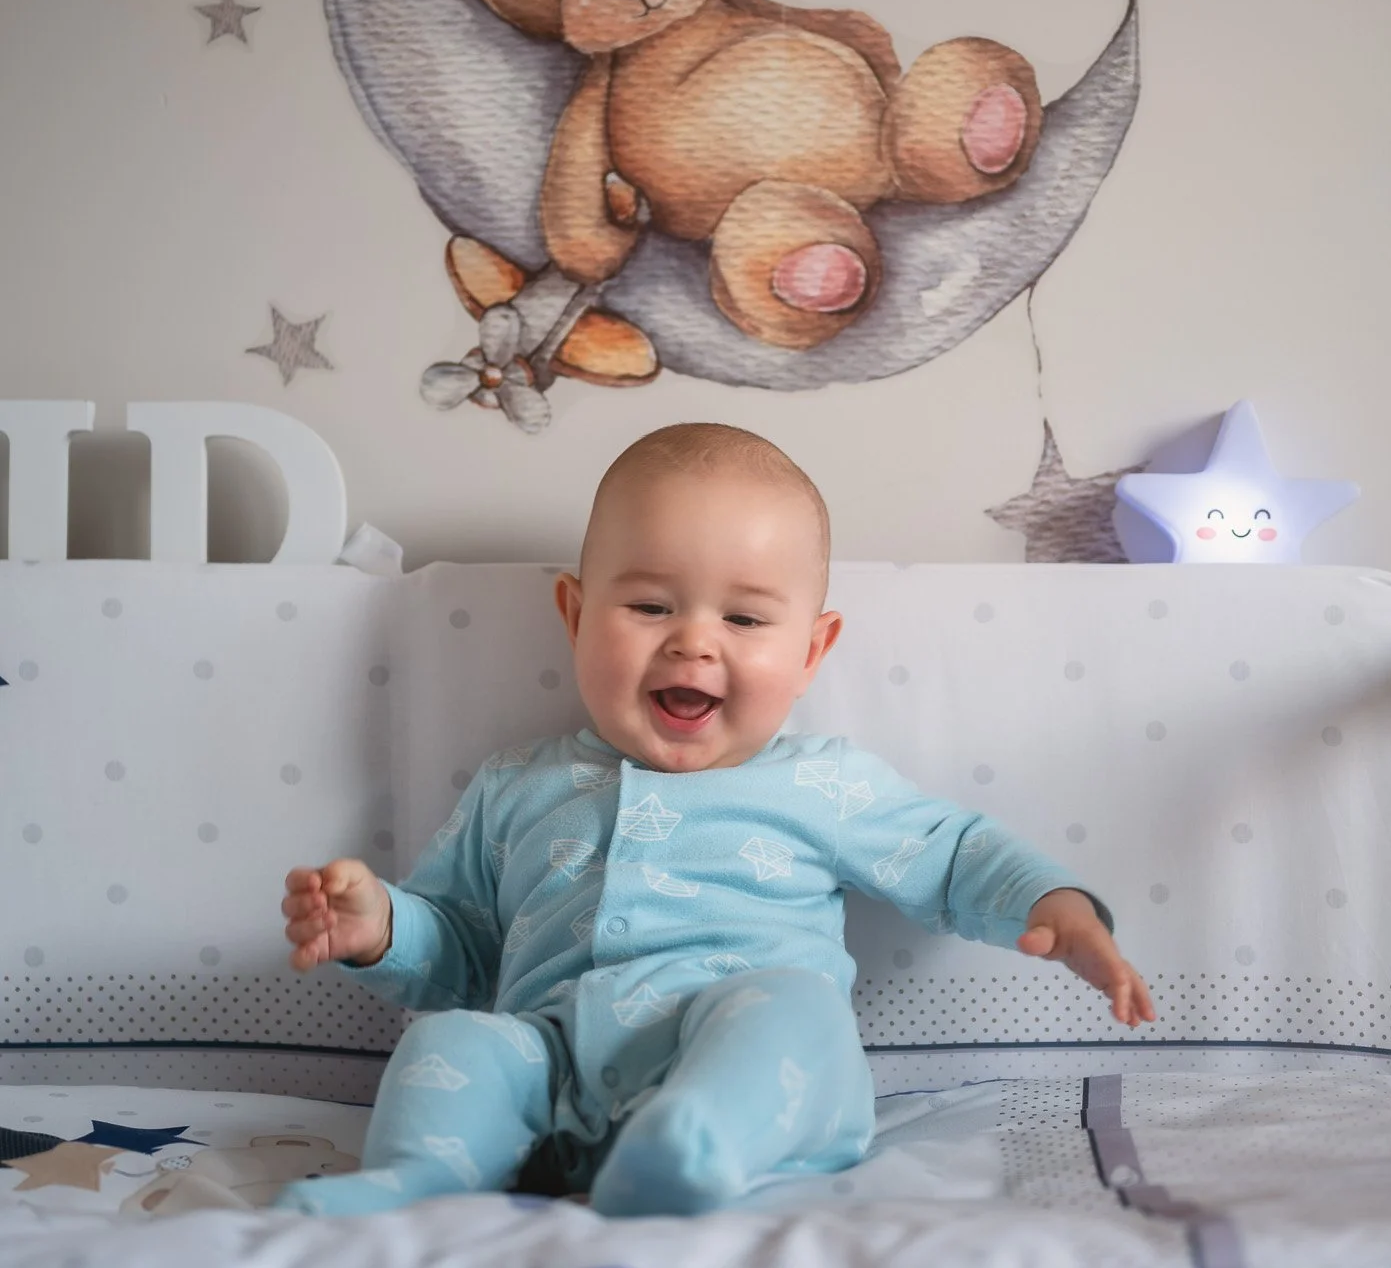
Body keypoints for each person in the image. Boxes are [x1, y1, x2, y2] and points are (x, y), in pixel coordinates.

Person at [273, 424, 1153, 1220]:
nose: (693, 641)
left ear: (809, 652)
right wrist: (382, 927)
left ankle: (692, 1145)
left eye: (743, 617)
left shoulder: (822, 785)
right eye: (650, 607)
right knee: (458, 1041)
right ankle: (421, 1176)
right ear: (575, 617)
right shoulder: (516, 786)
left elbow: (954, 855)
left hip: (747, 1063)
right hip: (553, 1077)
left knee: (795, 1010)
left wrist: (1057, 905)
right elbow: (461, 958)